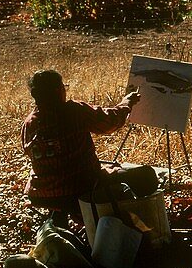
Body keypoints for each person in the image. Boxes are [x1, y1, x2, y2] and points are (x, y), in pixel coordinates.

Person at [22, 69, 152, 222]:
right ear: (58, 90)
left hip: (40, 193)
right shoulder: (73, 111)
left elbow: (29, 152)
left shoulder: (29, 123)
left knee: (64, 184)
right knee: (147, 176)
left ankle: (60, 218)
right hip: (80, 188)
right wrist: (127, 103)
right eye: (64, 87)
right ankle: (108, 219)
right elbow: (109, 122)